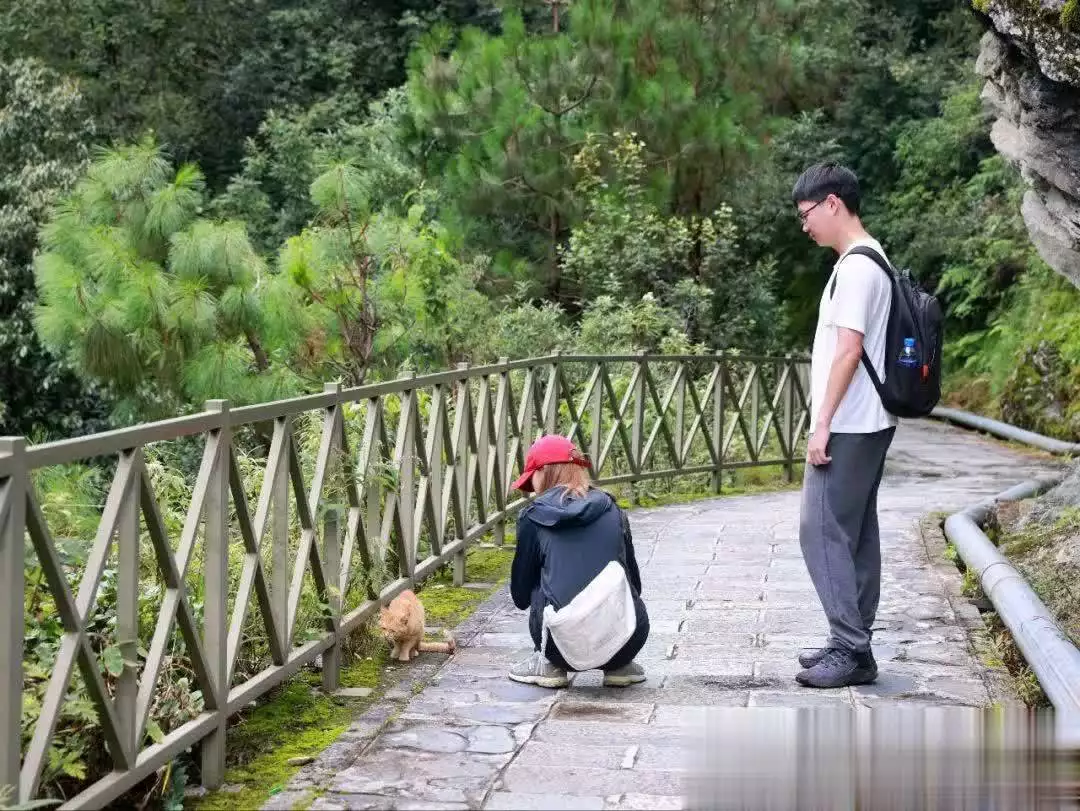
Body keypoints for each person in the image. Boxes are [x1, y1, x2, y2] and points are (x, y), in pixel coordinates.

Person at [791, 162, 898, 689]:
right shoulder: (873, 259)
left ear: (833, 203)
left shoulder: (857, 268)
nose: (805, 225)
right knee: (856, 534)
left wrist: (821, 424)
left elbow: (849, 350)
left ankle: (851, 648)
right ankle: (851, 642)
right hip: (870, 422)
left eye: (807, 214)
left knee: (821, 530)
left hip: (852, 422)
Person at [506, 434, 649, 688]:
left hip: (558, 647)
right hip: (626, 640)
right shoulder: (612, 509)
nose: (533, 488)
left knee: (543, 578)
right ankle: (619, 667)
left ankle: (549, 667)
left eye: (532, 478)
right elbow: (635, 584)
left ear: (543, 472)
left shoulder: (533, 517)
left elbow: (520, 597)